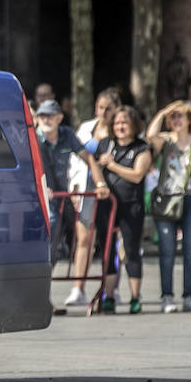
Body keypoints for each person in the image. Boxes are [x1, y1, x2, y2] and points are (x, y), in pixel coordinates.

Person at [146, 101, 191, 313]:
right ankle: (167, 296)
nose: (176, 120)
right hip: (167, 199)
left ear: (189, 120)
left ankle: (189, 296)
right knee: (167, 250)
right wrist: (163, 110)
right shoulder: (166, 142)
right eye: (172, 117)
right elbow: (150, 135)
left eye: (180, 116)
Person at [63, 87, 121, 307]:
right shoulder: (86, 128)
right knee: (84, 238)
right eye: (100, 107)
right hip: (86, 187)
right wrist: (74, 187)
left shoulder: (120, 128)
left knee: (110, 241)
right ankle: (78, 288)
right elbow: (74, 159)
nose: (103, 112)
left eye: (108, 108)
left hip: (111, 189)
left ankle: (110, 289)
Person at [93, 107, 153, 313]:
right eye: (117, 123)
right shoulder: (105, 145)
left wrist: (111, 165)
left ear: (134, 125)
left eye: (124, 123)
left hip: (131, 205)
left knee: (131, 250)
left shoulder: (142, 148)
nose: (120, 127)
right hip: (107, 205)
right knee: (107, 250)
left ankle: (135, 297)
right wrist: (100, 182)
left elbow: (137, 175)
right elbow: (93, 166)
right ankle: (108, 296)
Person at [34, 100, 108, 265]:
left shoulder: (66, 134)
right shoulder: (32, 138)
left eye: (50, 116)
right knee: (51, 222)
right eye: (42, 116)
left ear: (59, 118)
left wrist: (101, 184)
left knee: (81, 232)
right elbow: (25, 166)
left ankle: (75, 286)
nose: (46, 120)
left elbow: (87, 157)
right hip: (41, 196)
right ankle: (44, 269)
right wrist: (39, 187)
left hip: (63, 195)